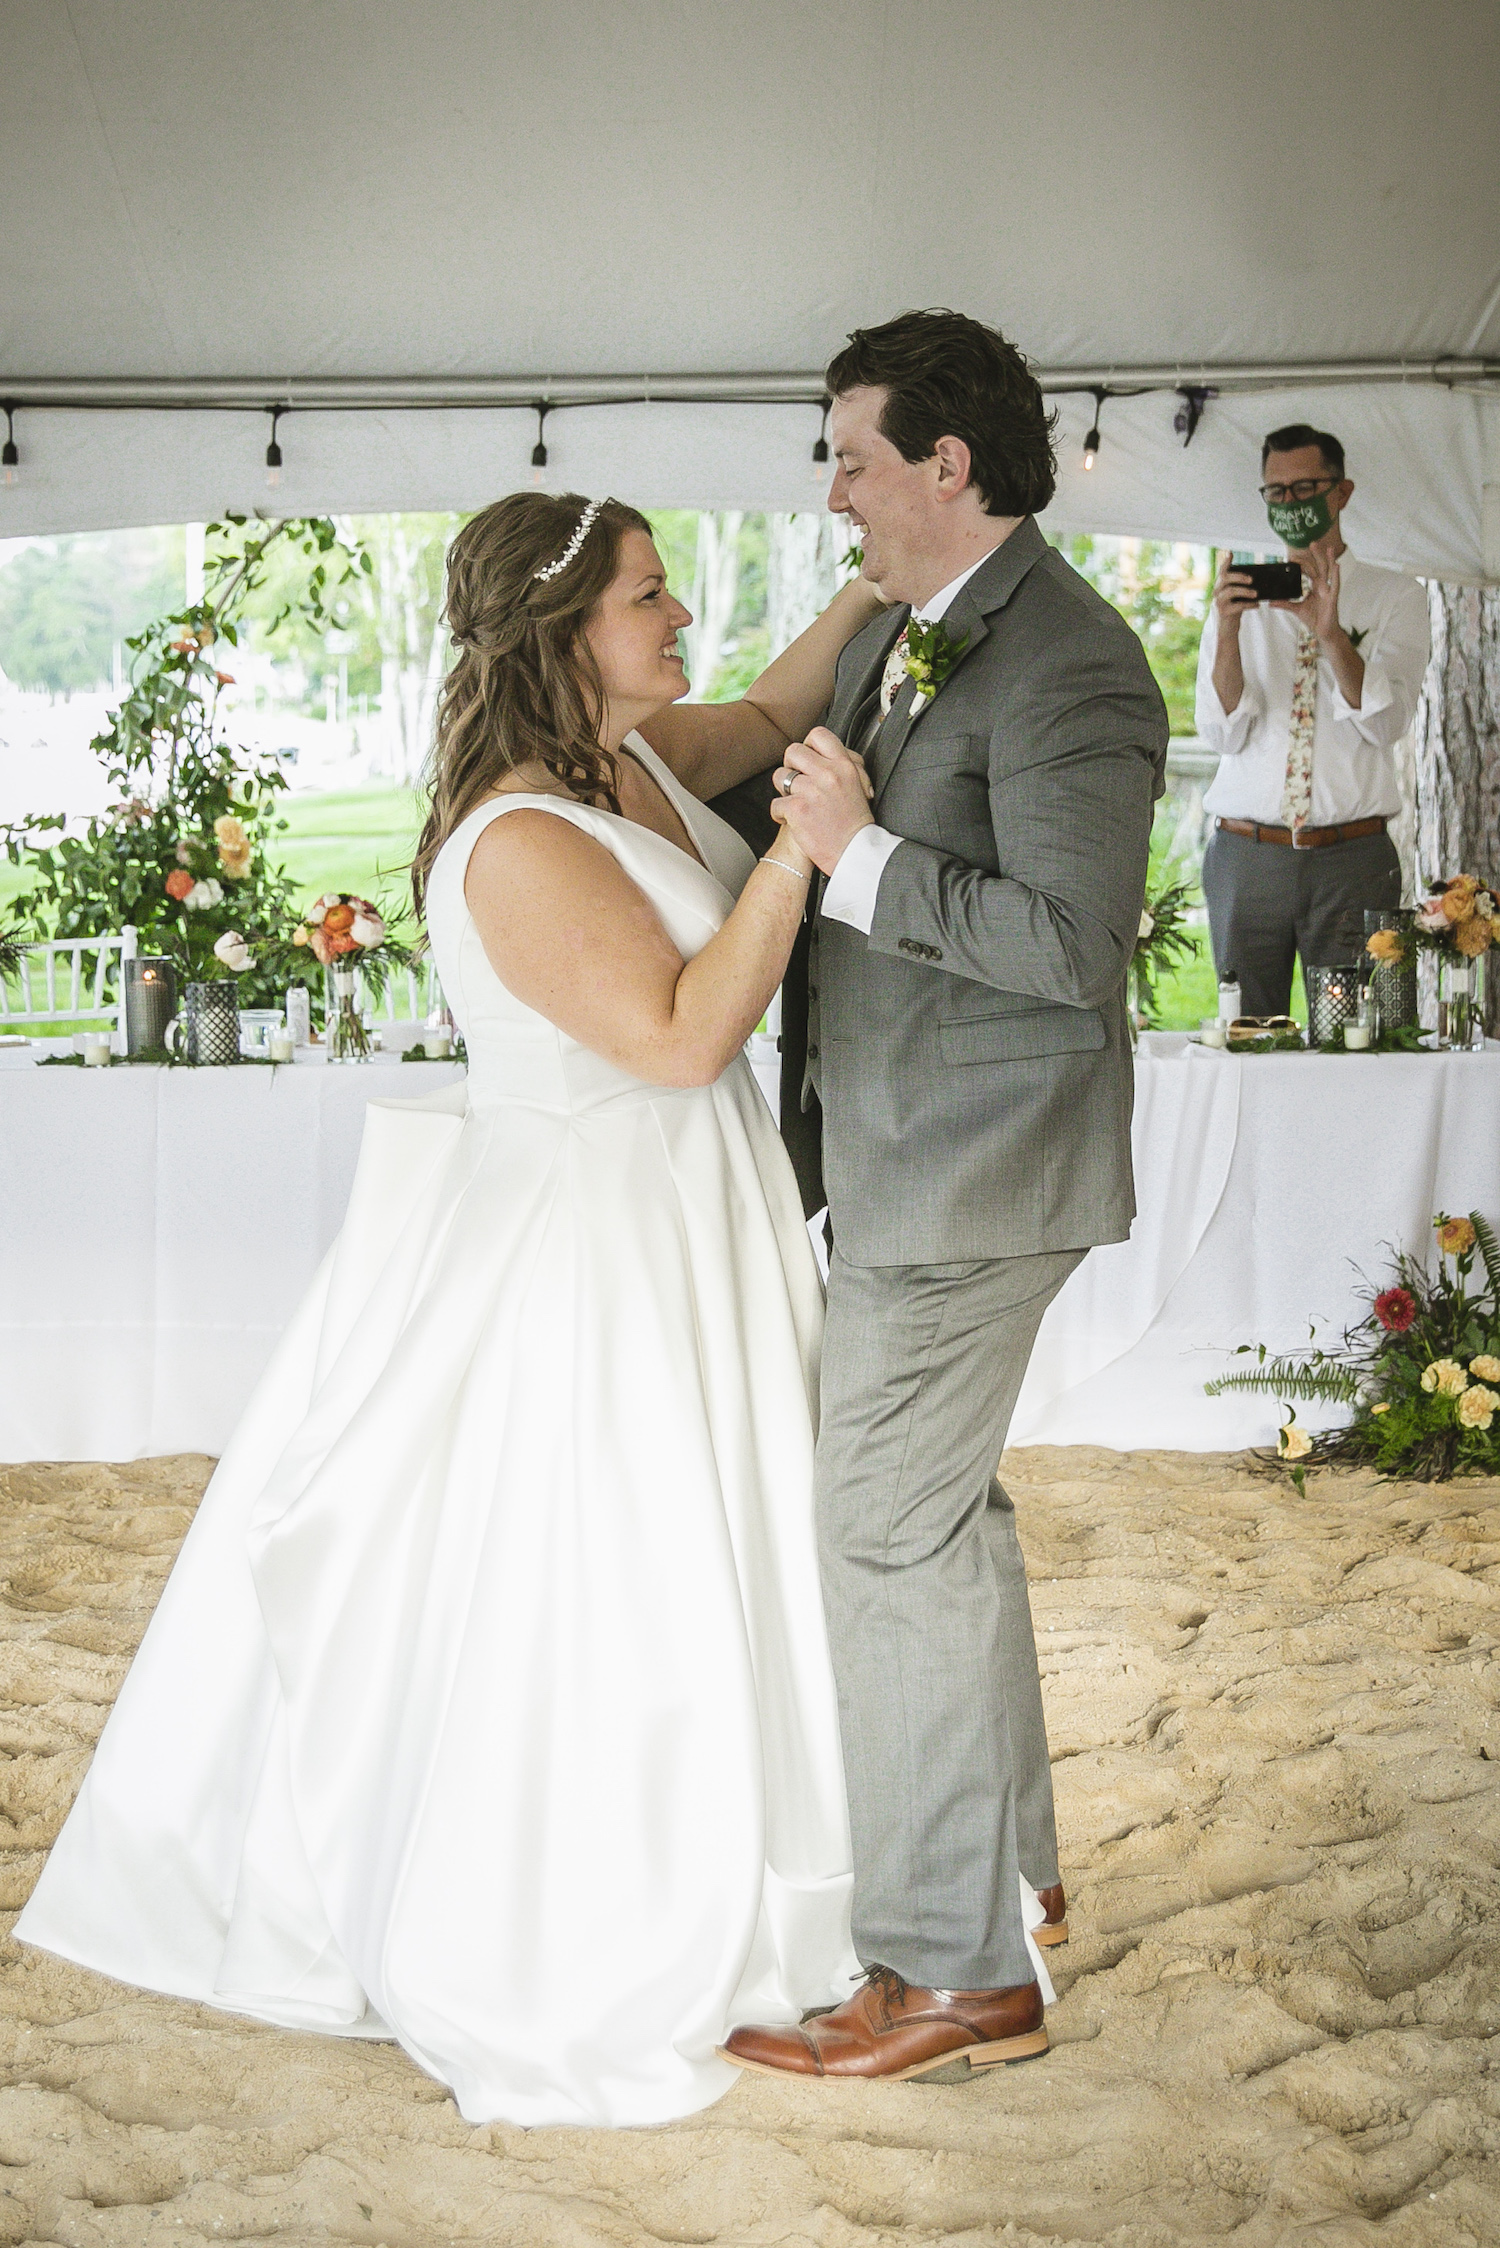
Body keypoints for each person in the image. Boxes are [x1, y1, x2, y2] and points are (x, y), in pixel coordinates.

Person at [17, 492, 968, 2129]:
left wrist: (872, 588)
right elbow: (676, 1038)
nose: (678, 622)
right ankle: (600, 1902)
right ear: (563, 635)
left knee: (748, 1534)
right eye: (649, 598)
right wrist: (803, 859)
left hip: (701, 1213)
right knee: (621, 1569)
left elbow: (776, 704)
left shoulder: (648, 753)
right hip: (601, 1247)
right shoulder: (518, 835)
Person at [721, 310, 1168, 2085]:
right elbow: (792, 794)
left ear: (946, 463)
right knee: (946, 1524)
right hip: (903, 1159)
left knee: (882, 1533)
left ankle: (944, 1965)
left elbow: (1073, 949)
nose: (830, 490)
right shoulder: (907, 638)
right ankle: (1021, 1881)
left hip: (981, 1178)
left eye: (847, 455)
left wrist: (862, 853)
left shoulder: (1075, 664)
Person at [1198, 424, 1432, 1016]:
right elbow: (1223, 732)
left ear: (1341, 492)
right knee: (1247, 1030)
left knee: (1361, 1032)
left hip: (1351, 857)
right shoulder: (1241, 601)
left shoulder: (1395, 595)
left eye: (1304, 487)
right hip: (1247, 852)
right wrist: (1227, 629)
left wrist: (1329, 634)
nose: (1290, 503)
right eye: (1275, 492)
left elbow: (1386, 725)